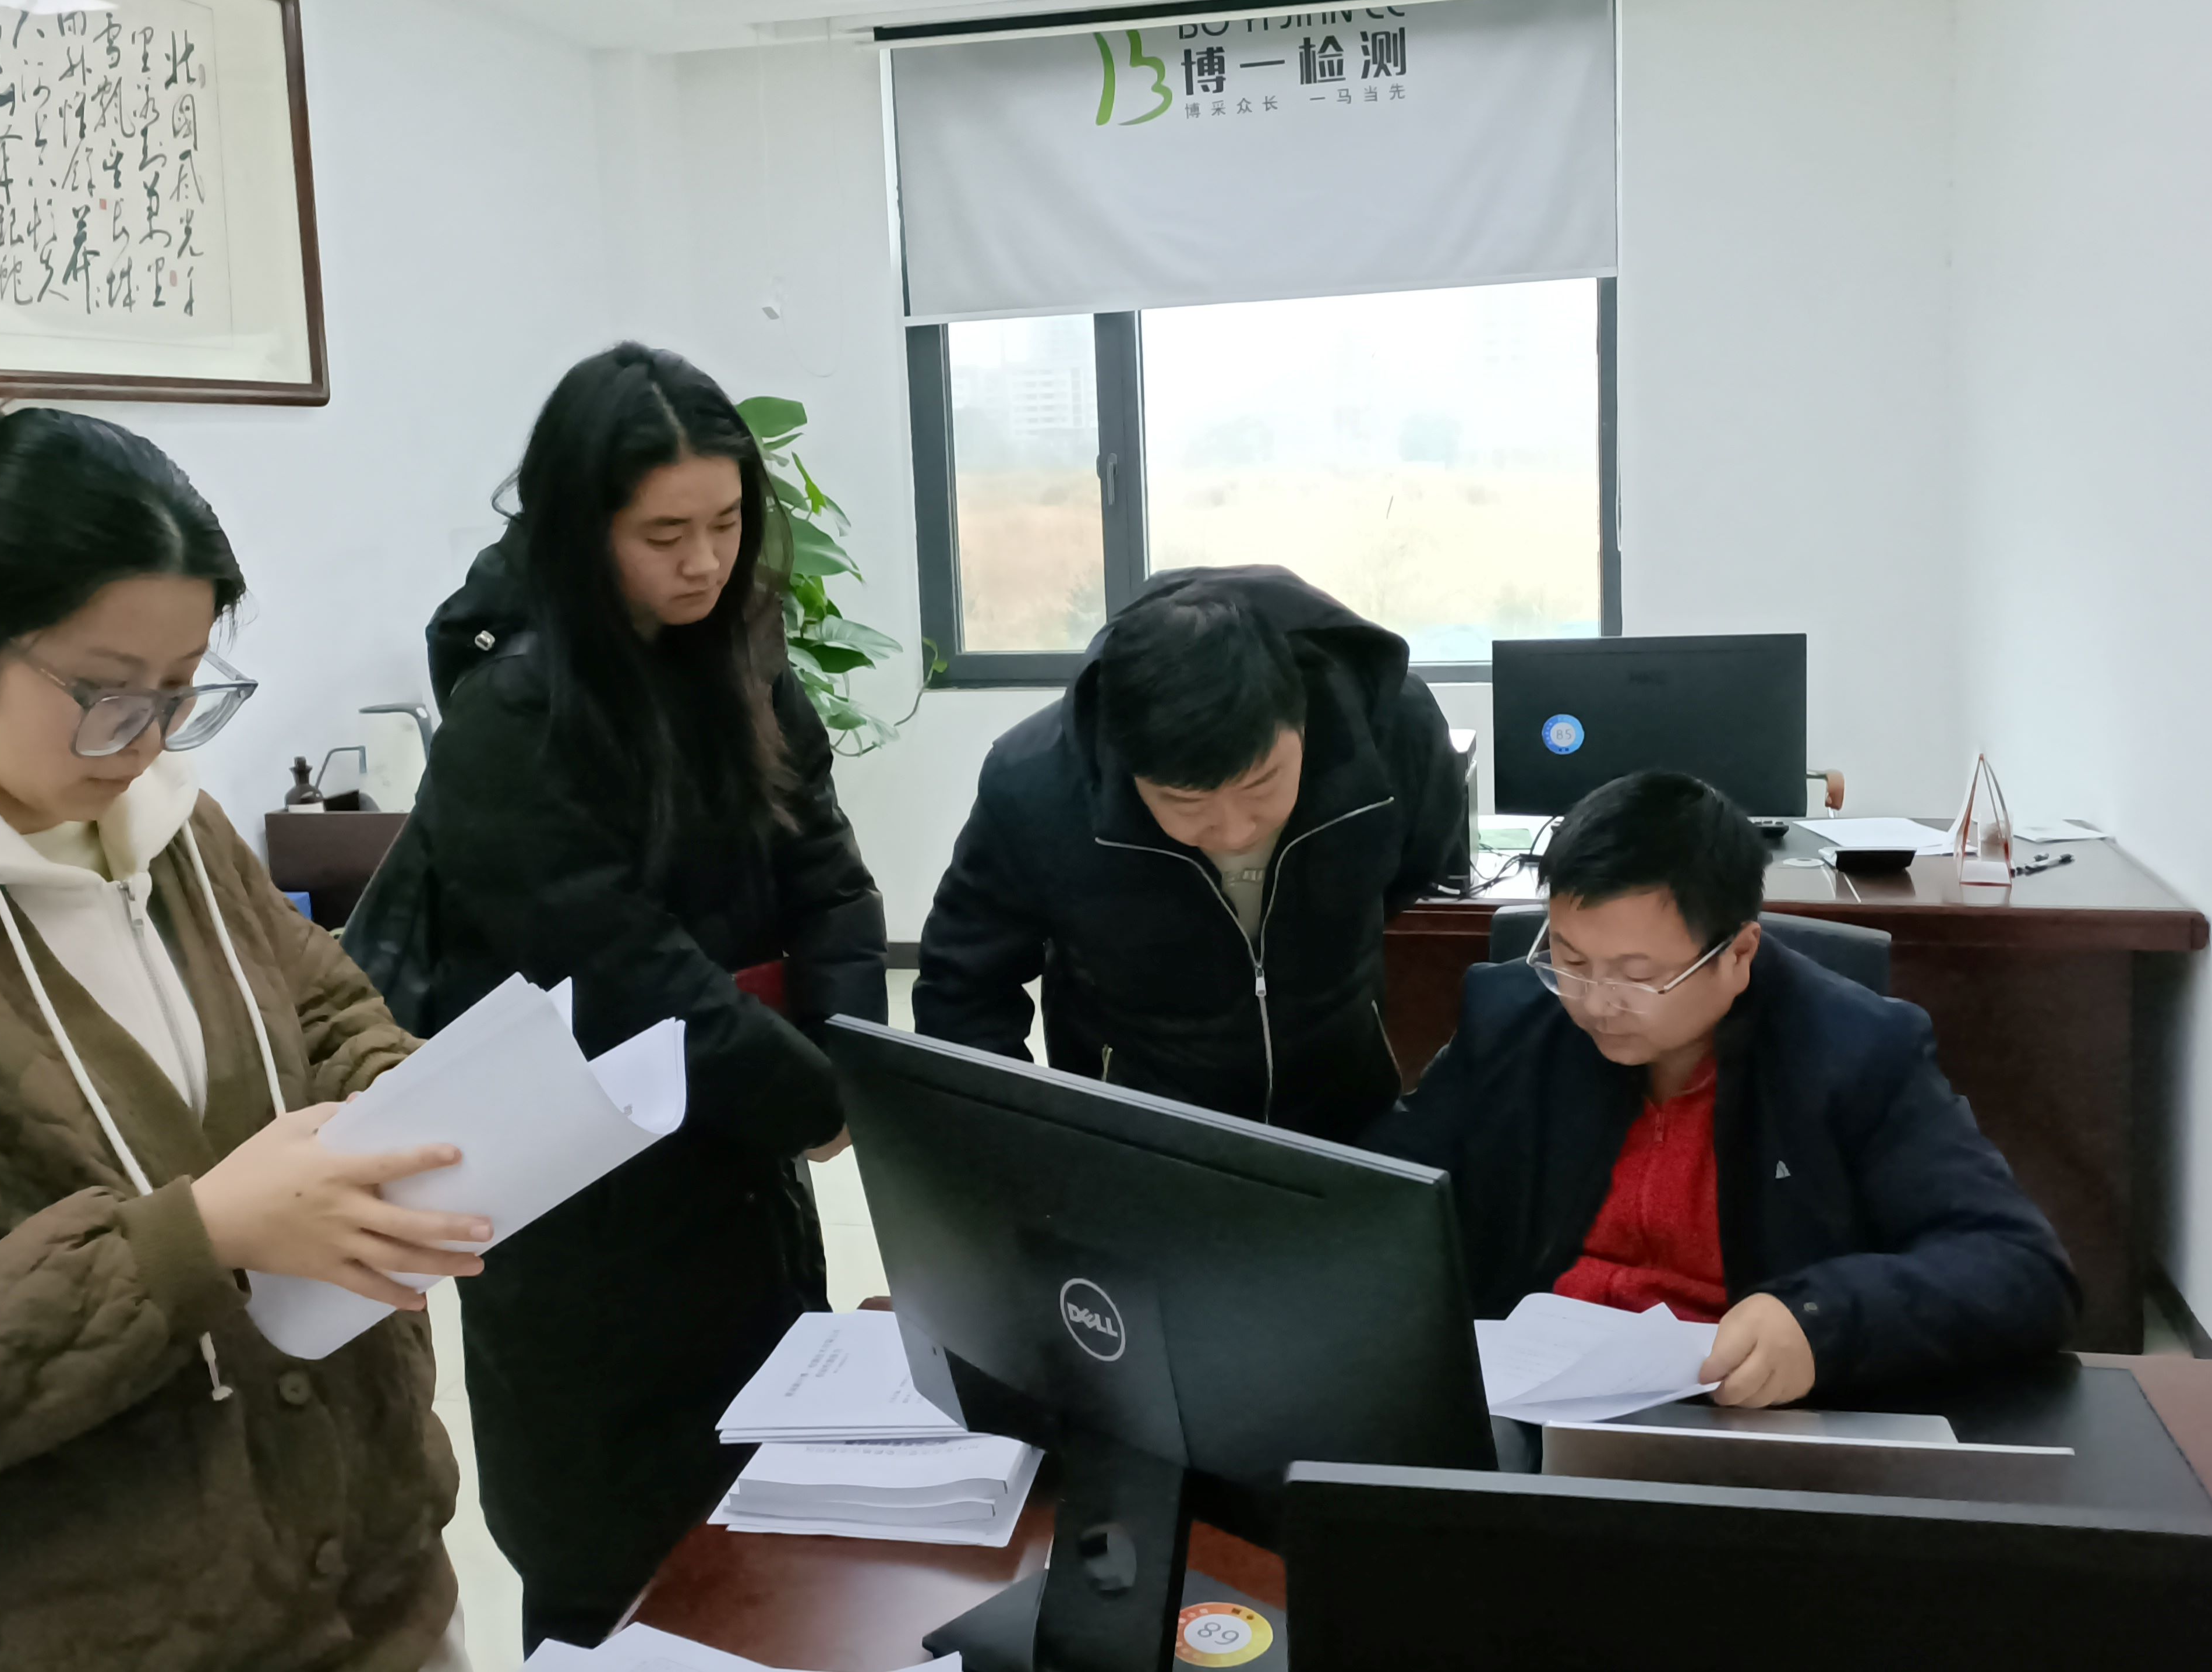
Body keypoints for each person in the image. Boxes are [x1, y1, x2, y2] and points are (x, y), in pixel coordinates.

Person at [0, 406, 485, 1670]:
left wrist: (402, 1110)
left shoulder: (175, 829)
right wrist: (196, 1239)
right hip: (61, 1624)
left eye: (184, 691)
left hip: (357, 1581)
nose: (151, 740)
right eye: (107, 694)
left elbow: (322, 1009)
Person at [342, 342, 888, 1650]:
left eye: (726, 525)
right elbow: (626, 969)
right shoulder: (511, 718)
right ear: (580, 529)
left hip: (737, 1160)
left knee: (764, 1505)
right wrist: (812, 1099)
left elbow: (827, 872)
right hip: (584, 1190)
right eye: (663, 535)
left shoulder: (738, 656)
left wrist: (853, 1057)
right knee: (609, 1550)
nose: (703, 564)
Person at [1377, 770, 2076, 1406]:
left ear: (1738, 953)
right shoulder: (1514, 1021)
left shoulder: (1855, 1052)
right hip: (1528, 1399)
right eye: (1569, 959)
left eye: (1637, 975)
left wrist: (1817, 1321)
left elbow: (2020, 1268)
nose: (1594, 1002)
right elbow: (1390, 1197)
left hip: (1742, 1411)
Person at [913, 566, 1469, 1142]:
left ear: (1301, 718)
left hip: (1344, 1110)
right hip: (1136, 1131)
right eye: (1186, 803)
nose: (1234, 832)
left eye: (1261, 784)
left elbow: (1414, 868)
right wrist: (1016, 1146)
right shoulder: (1037, 787)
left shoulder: (1388, 730)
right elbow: (965, 987)